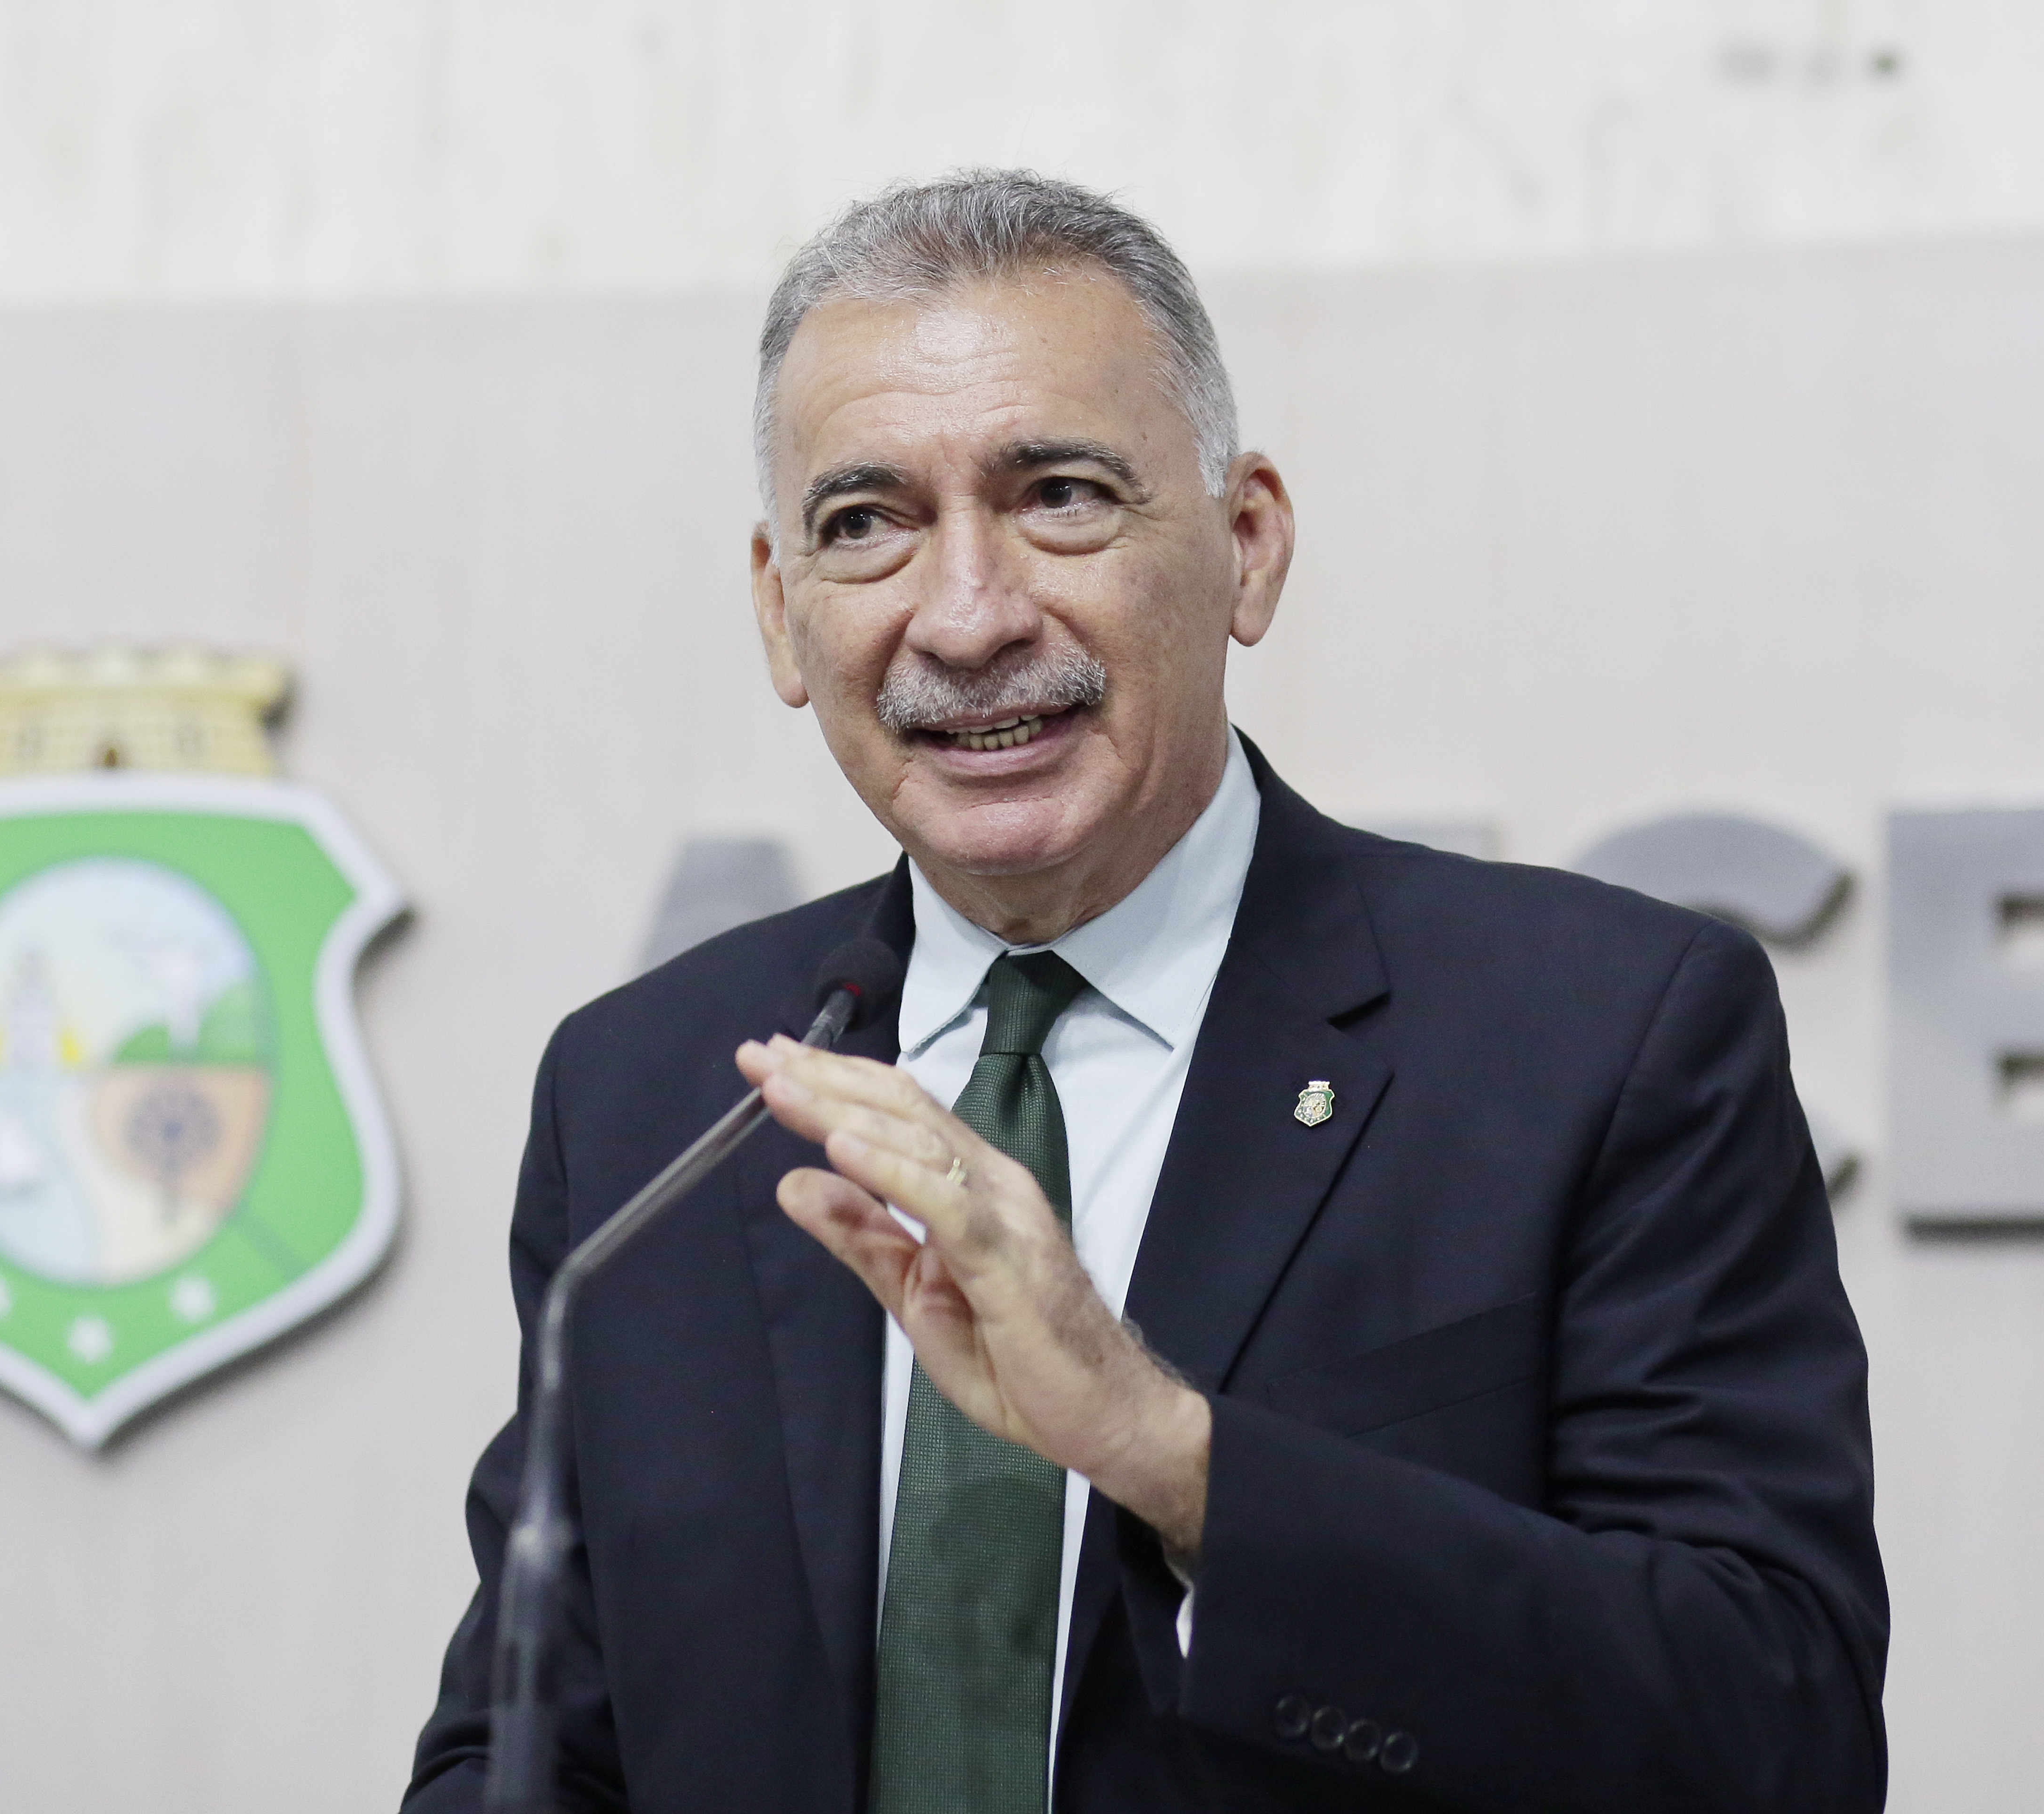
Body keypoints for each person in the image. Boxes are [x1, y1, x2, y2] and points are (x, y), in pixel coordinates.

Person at [403, 170, 1886, 1813]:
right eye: (868, 523)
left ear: (1247, 547)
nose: (966, 617)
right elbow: (529, 1750)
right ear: (779, 609)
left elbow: (1778, 1729)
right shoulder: (650, 1100)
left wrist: (1173, 1457)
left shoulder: (1602, 1034)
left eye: (1060, 496)